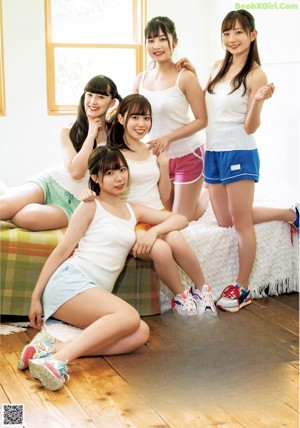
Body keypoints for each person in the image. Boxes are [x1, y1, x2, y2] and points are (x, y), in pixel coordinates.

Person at [17, 145, 194, 391]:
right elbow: (61, 251)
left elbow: (181, 218)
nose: (119, 177)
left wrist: (153, 232)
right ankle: (56, 362)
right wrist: (36, 296)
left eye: (122, 169)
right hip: (70, 282)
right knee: (129, 317)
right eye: (110, 173)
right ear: (95, 178)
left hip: (91, 291)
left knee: (139, 333)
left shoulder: (134, 209)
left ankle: (50, 349)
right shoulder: (90, 206)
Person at [181, 9, 299, 313]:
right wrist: (193, 72)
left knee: (241, 222)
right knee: (225, 219)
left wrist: (258, 100)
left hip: (239, 150)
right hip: (214, 152)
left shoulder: (255, 73)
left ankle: (242, 287)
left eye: (238, 32)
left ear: (252, 35)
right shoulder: (218, 66)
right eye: (227, 33)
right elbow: (210, 102)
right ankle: (289, 214)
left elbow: (250, 126)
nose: (232, 39)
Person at [99, 93, 216, 317]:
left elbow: (164, 195)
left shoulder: (153, 151)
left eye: (146, 118)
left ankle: (203, 290)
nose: (142, 124)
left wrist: (163, 165)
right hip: (134, 220)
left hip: (158, 214)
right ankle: (181, 297)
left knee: (176, 239)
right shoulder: (113, 154)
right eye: (135, 118)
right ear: (122, 119)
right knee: (162, 249)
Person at [0, 75, 122, 230]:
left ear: (112, 102)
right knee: (4, 206)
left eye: (100, 97)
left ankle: (13, 200)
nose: (92, 101)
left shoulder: (116, 135)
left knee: (26, 218)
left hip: (77, 202)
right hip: (51, 184)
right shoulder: (67, 131)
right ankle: (12, 199)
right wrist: (91, 135)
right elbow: (75, 171)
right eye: (89, 95)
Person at [132, 16, 209, 221]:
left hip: (188, 155)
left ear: (174, 42)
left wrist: (168, 138)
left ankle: (207, 193)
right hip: (159, 159)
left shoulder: (185, 77)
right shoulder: (140, 79)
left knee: (181, 219)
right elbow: (128, 117)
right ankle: (200, 194)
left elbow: (202, 119)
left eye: (162, 39)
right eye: (150, 40)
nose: (156, 45)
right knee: (166, 215)